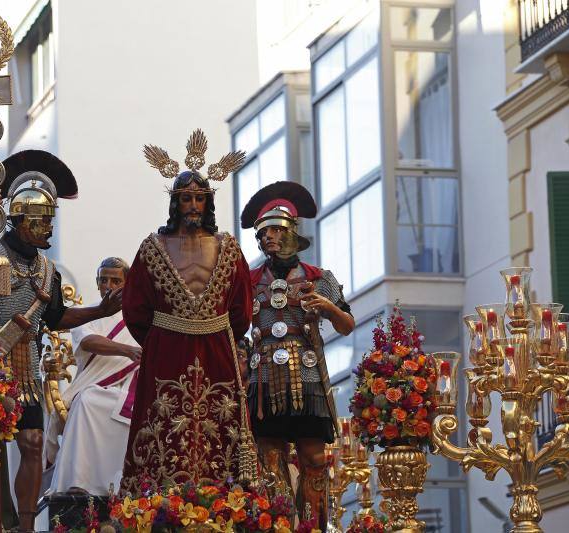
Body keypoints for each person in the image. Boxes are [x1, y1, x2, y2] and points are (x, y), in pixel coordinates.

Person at [0, 150, 122, 532]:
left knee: (31, 443)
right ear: (22, 220)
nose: (49, 228)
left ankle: (26, 526)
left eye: (50, 220)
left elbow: (57, 317)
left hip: (27, 367)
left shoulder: (48, 270)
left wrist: (100, 311)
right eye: (42, 220)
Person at [119, 130, 254, 493]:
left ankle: (225, 500)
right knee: (164, 426)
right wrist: (163, 337)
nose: (193, 205)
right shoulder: (152, 247)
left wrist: (217, 331)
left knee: (219, 426)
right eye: (186, 199)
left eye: (199, 198)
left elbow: (242, 309)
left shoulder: (227, 247)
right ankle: (155, 502)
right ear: (174, 203)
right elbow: (134, 308)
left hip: (217, 351)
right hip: (167, 351)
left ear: (208, 202)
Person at [240, 181, 354, 530]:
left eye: (275, 230)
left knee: (314, 457)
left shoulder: (319, 278)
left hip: (306, 375)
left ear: (292, 232)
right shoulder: (246, 280)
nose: (267, 238)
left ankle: (312, 527)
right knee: (270, 457)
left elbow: (347, 325)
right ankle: (279, 526)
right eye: (262, 233)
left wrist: (326, 308)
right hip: (263, 377)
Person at [44, 257, 141, 495]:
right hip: (94, 387)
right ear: (97, 283)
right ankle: (79, 483)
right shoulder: (86, 314)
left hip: (133, 388)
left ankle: (127, 486)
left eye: (116, 280)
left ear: (127, 284)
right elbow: (88, 341)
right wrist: (126, 350)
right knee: (87, 400)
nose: (108, 285)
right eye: (103, 280)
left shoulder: (139, 316)